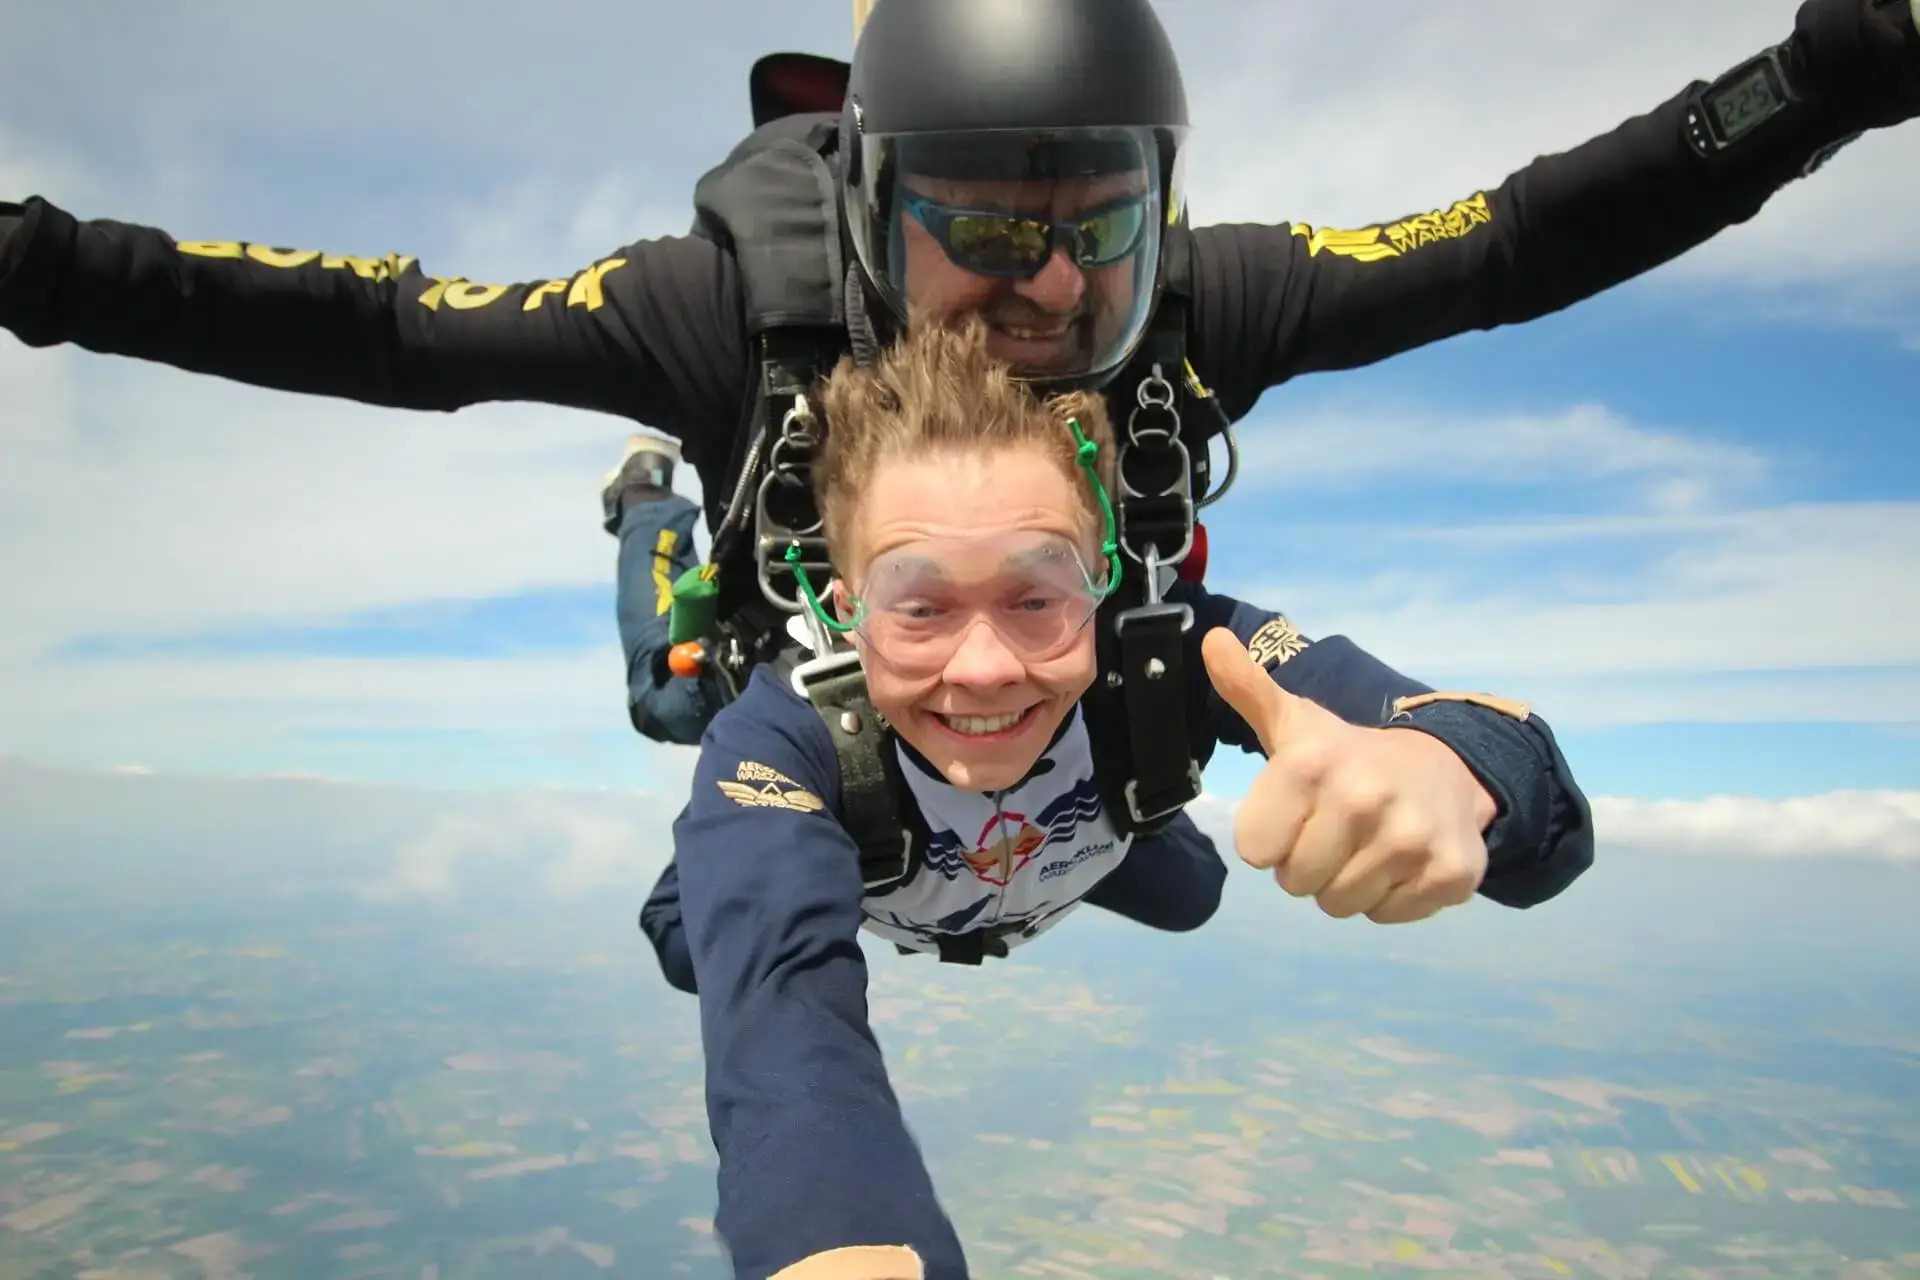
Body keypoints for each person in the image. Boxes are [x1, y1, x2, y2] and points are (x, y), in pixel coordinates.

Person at [2, 0, 1915, 754]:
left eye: (1102, 224)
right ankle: (646, 533)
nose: (1051, 283)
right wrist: (37, 268)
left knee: (1159, 866)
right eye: (986, 231)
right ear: (866, 209)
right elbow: (386, 332)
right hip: (817, 654)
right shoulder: (712, 312)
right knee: (687, 714)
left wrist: (1815, 80)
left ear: (1167, 208)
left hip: (1024, 670)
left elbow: (1510, 247)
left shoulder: (1194, 305)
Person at [655, 314, 1593, 1280]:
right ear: (843, 609)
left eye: (1036, 595)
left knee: (1191, 895)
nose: (983, 670)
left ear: (1103, 579)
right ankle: (644, 506)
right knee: (695, 926)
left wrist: (1458, 777)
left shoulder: (1176, 653)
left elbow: (1502, 767)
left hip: (1058, 860)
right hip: (838, 852)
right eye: (920, 605)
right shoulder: (783, 738)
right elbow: (783, 1023)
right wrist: (834, 1241)